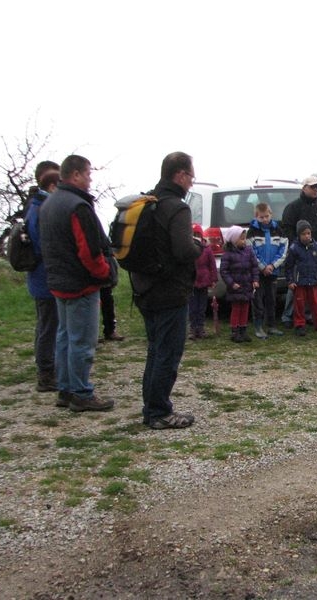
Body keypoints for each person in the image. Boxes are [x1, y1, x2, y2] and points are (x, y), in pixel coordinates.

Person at [130, 151, 201, 429]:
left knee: (155, 350)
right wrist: (199, 247)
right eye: (191, 176)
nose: (192, 182)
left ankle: (151, 408)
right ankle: (159, 411)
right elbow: (183, 250)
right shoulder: (177, 208)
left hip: (145, 287)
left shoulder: (148, 203)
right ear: (180, 175)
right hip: (170, 291)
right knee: (168, 353)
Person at [39, 155, 115, 412]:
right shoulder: (77, 206)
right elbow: (88, 251)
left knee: (64, 337)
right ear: (76, 175)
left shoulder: (49, 203)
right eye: (88, 174)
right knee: (82, 341)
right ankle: (81, 392)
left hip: (58, 280)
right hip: (80, 284)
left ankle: (65, 389)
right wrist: (104, 273)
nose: (90, 179)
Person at [25, 166, 60, 393]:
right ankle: (46, 373)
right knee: (48, 326)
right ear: (52, 186)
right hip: (45, 277)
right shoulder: (40, 210)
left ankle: (48, 367)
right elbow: (43, 246)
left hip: (42, 276)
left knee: (46, 324)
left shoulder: (36, 206)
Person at [280, 176, 317, 326]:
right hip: (299, 253)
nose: (315, 190)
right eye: (312, 187)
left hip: (316, 251)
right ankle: (288, 316)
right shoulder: (293, 207)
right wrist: (296, 246)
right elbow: (287, 228)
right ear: (304, 188)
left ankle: (307, 314)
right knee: (295, 286)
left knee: (312, 286)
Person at [246, 202, 288, 338]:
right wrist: (263, 266)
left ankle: (271, 325)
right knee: (258, 299)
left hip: (273, 271)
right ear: (256, 217)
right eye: (261, 217)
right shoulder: (252, 232)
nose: (264, 219)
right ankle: (258, 326)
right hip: (258, 273)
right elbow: (251, 251)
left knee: (272, 299)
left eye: (266, 216)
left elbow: (283, 249)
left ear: (271, 214)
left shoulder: (278, 230)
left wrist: (273, 265)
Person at [285, 220, 317, 336]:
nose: (307, 236)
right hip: (299, 282)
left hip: (313, 281)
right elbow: (289, 266)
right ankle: (299, 325)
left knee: (315, 304)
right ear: (299, 235)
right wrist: (290, 280)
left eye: (308, 233)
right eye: (303, 234)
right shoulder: (294, 248)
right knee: (299, 305)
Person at [220, 225, 260, 343]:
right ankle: (235, 331)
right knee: (236, 308)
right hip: (236, 287)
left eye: (244, 238)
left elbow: (254, 266)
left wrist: (255, 280)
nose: (244, 241)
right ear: (234, 240)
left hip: (247, 285)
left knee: (245, 308)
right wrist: (231, 283)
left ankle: (243, 329)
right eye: (241, 239)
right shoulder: (228, 254)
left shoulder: (249, 251)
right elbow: (224, 271)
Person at [188, 223, 218, 340]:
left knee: (202, 307)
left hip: (204, 281)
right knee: (192, 307)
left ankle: (200, 328)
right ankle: (192, 328)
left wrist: (213, 279)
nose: (195, 237)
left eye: (197, 234)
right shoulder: (188, 249)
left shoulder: (207, 249)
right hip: (192, 282)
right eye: (192, 234)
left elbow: (212, 265)